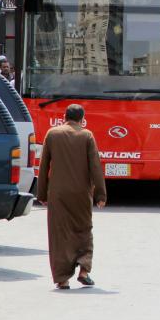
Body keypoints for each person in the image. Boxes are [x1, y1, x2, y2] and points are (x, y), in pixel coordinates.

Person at [36, 104, 107, 290]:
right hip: (81, 193)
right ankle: (84, 270)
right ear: (82, 119)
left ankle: (62, 279)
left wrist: (41, 193)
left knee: (59, 234)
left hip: (58, 194)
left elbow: (44, 167)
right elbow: (95, 167)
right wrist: (100, 194)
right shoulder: (86, 136)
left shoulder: (52, 134)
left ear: (64, 116)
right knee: (84, 229)